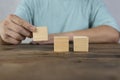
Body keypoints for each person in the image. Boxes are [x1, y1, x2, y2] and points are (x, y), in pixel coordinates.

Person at [0, 0, 120, 45]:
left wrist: (58, 37)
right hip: (38, 66)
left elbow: (113, 33)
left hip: (82, 67)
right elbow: (10, 30)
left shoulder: (92, 2)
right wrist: (4, 33)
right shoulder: (31, 2)